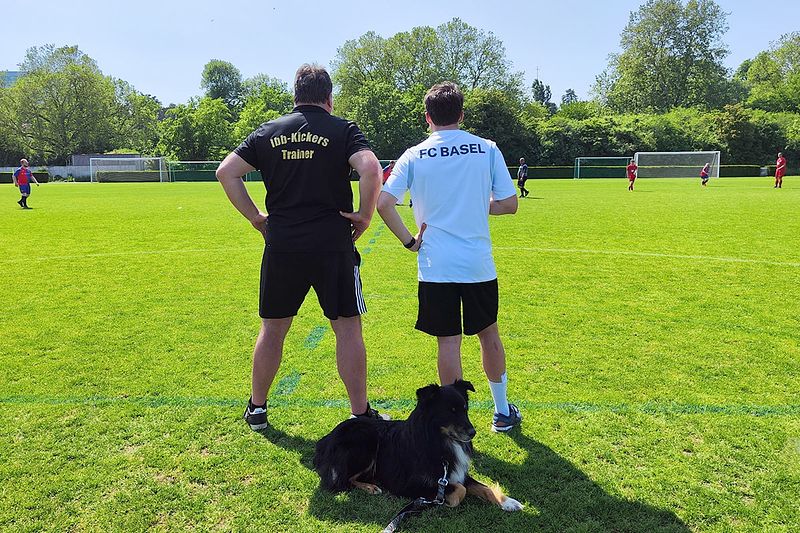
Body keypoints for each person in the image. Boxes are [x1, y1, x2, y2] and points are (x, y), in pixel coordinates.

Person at [215, 64, 386, 430]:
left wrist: (256, 218)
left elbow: (226, 172)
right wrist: (365, 215)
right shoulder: (343, 130)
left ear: (295, 96)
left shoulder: (269, 131)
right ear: (329, 98)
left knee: (273, 329)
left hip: (283, 246)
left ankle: (257, 409)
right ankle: (360, 413)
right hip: (332, 246)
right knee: (348, 328)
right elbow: (371, 168)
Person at [378, 81, 522, 433]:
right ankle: (502, 412)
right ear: (461, 114)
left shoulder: (414, 154)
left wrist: (410, 242)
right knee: (489, 334)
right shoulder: (486, 149)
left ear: (427, 117)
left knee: (448, 342)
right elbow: (509, 204)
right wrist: (477, 205)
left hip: (435, 264)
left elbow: (384, 203)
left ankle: (458, 423)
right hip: (477, 263)